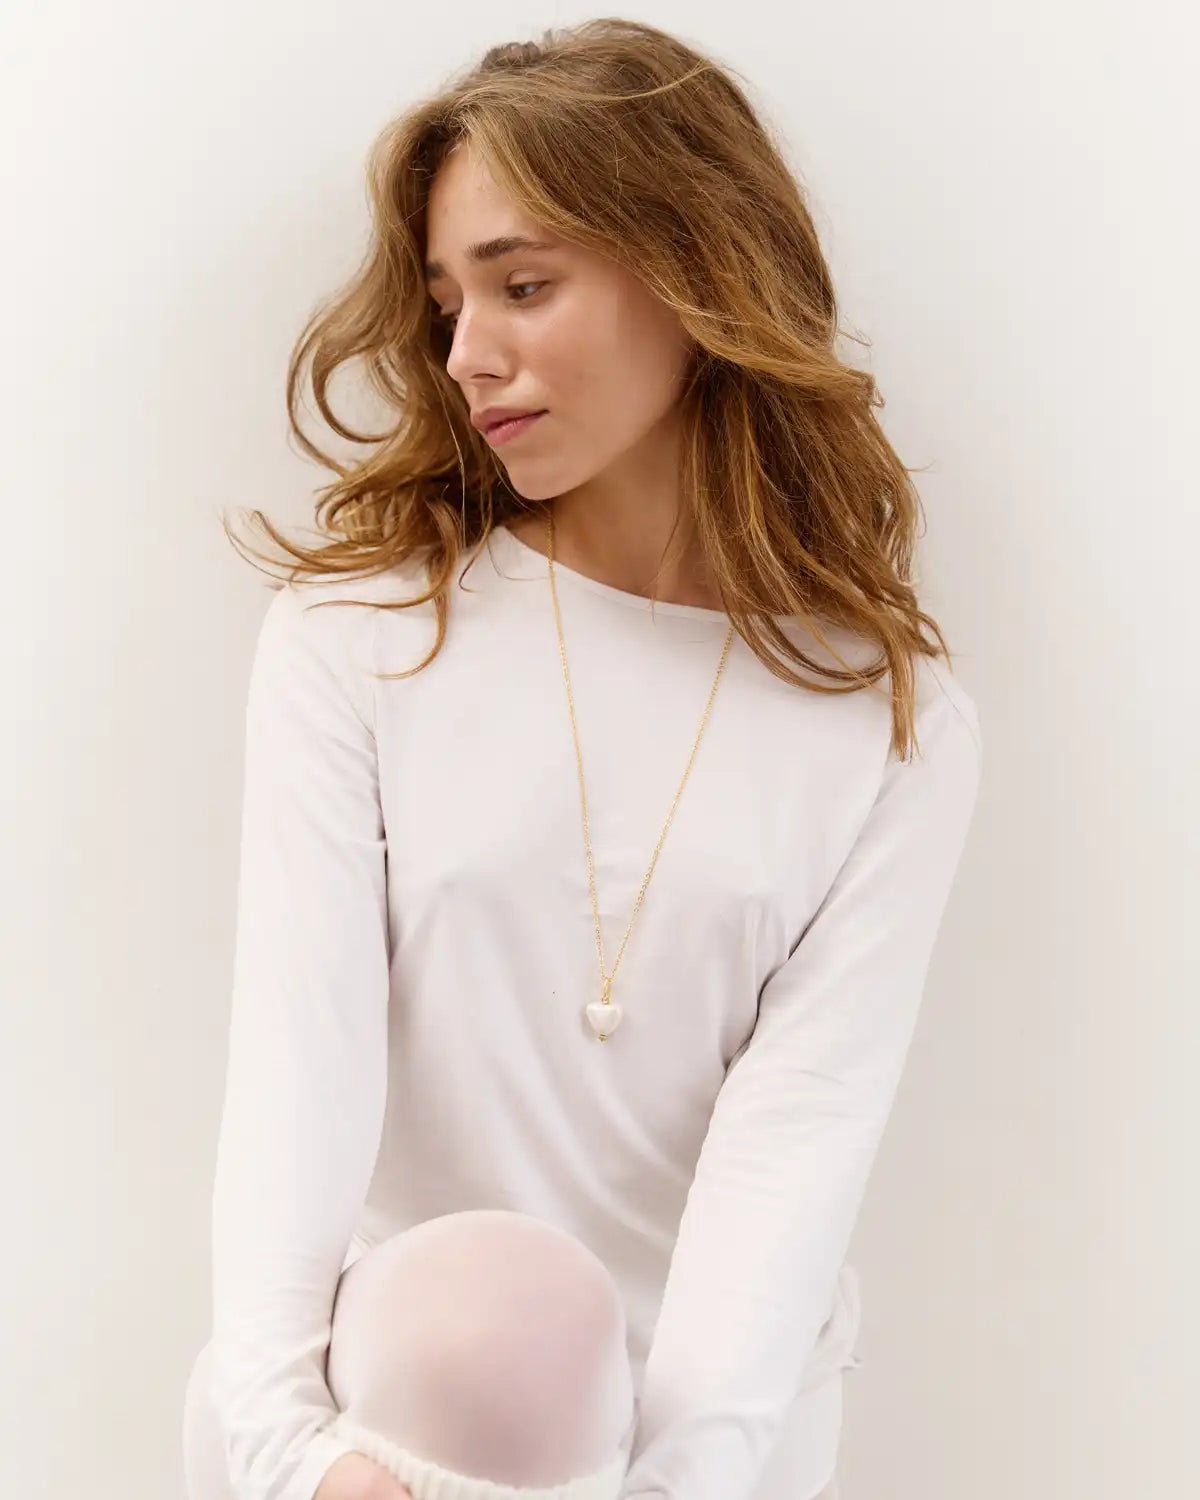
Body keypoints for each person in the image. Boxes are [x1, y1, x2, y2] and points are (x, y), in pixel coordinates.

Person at [181, 17, 983, 1500]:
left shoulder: (887, 720)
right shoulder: (363, 642)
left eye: (523, 285)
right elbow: (299, 1079)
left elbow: (796, 1153)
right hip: (387, 1428)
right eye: (446, 304)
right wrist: (292, 1456)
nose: (466, 356)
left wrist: (673, 1487)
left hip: (717, 1446)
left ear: (693, 270)